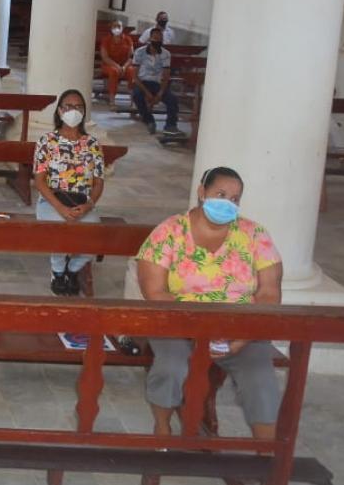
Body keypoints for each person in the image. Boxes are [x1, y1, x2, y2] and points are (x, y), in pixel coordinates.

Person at [137, 166, 283, 440]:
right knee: (171, 366)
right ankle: (162, 429)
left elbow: (269, 292)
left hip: (240, 328)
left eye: (235, 198)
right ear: (202, 192)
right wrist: (200, 331)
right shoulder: (170, 231)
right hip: (178, 322)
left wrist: (244, 335)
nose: (228, 202)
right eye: (220, 194)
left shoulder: (254, 234)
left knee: (260, 377)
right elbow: (155, 292)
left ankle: (267, 455)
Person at [34, 89, 105, 296]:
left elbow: (99, 182)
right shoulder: (47, 141)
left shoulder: (92, 144)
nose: (73, 111)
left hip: (82, 201)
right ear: (59, 111)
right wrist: (61, 208)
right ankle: (57, 271)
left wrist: (88, 205)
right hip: (52, 201)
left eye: (78, 107)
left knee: (98, 237)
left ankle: (72, 269)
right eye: (68, 106)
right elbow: (39, 181)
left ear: (84, 111)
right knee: (60, 229)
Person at [131, 27, 180, 135]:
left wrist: (160, 93)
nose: (157, 41)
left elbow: (166, 76)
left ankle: (170, 125)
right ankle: (149, 120)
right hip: (142, 82)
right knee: (137, 96)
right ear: (150, 39)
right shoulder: (140, 52)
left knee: (172, 99)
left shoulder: (166, 54)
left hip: (157, 84)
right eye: (155, 38)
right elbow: (135, 76)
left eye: (160, 39)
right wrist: (147, 93)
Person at [99, 21, 136, 102]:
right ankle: (112, 100)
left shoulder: (128, 39)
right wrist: (117, 66)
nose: (117, 28)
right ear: (111, 28)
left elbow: (131, 57)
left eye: (119, 26)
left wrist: (124, 67)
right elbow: (105, 57)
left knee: (131, 71)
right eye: (114, 26)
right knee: (114, 71)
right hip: (108, 65)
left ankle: (133, 100)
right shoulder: (106, 40)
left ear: (122, 27)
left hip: (124, 66)